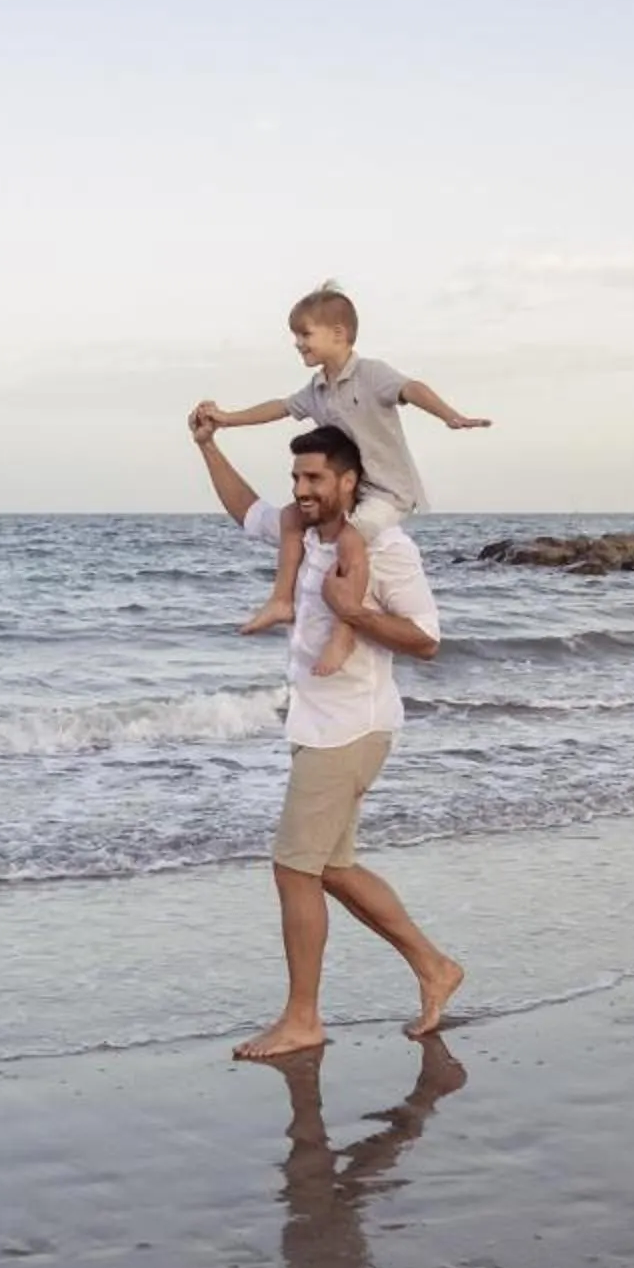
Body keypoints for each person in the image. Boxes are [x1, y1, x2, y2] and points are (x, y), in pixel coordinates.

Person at [189, 411, 467, 1058]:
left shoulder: (386, 549)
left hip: (353, 728)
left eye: (314, 477)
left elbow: (426, 638)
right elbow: (246, 510)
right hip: (318, 727)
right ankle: (435, 968)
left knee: (293, 868)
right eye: (295, 476)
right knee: (333, 869)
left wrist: (355, 614)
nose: (301, 488)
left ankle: (302, 1019)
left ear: (349, 481)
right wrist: (208, 446)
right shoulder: (307, 537)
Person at [191, 282, 490, 678]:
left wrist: (449, 415)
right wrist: (225, 422)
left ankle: (344, 632)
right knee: (289, 520)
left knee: (351, 540)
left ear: (339, 334)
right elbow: (279, 408)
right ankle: (281, 600)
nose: (298, 343)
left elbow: (411, 388)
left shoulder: (369, 374)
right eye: (295, 335)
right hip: (358, 493)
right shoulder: (317, 390)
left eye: (305, 334)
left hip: (388, 491)